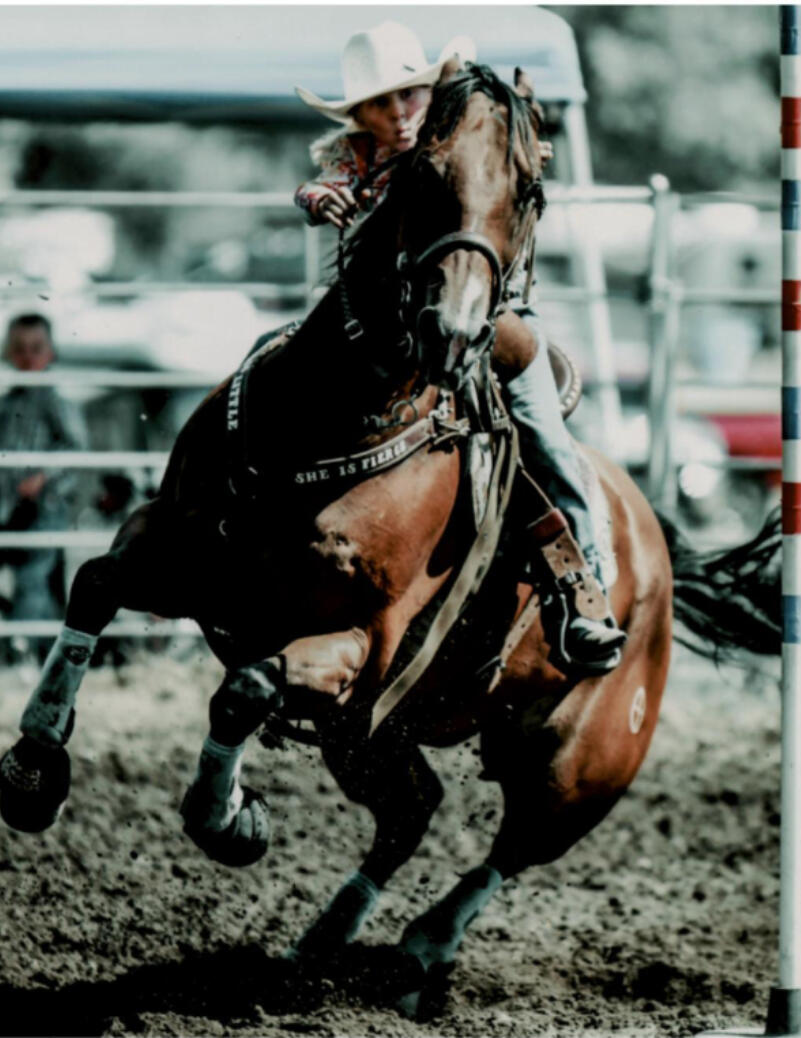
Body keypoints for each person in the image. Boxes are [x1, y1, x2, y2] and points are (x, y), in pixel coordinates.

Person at [293, 22, 624, 675]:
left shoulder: (467, 136)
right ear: (360, 114)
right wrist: (321, 196)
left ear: (428, 92)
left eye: (407, 96)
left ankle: (585, 584)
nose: (397, 113)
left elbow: (513, 170)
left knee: (540, 435)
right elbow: (323, 185)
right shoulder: (359, 155)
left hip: (485, 311)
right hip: (384, 321)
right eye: (380, 104)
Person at [0, 313, 85, 627]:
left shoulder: (54, 398)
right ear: (8, 352)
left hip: (46, 503)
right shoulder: (4, 402)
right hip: (9, 506)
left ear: (51, 352)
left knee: (32, 575)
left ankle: (19, 645)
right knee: (39, 577)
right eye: (19, 348)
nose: (28, 357)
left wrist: (42, 475)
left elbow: (75, 446)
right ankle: (46, 648)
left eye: (36, 348)